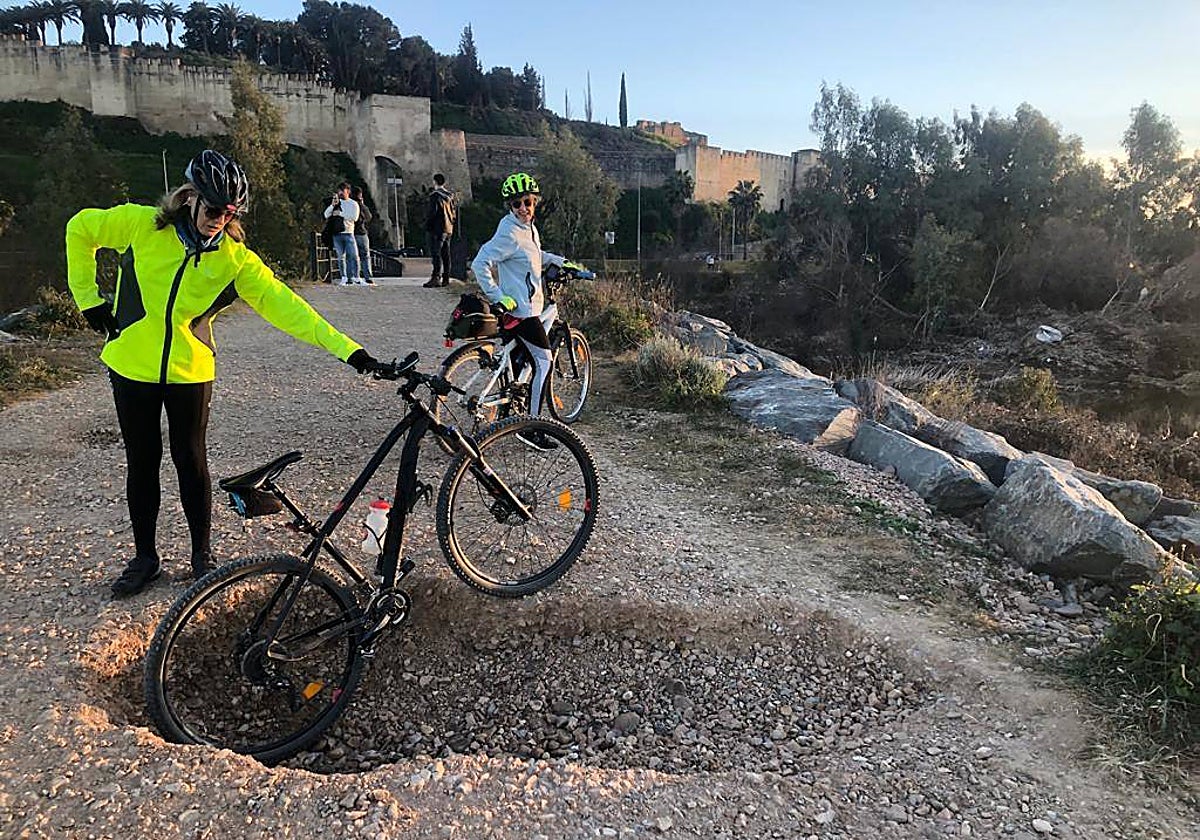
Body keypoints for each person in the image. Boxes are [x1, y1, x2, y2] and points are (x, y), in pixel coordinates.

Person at [66, 149, 379, 598]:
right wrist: (87, 299)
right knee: (143, 462)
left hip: (190, 371)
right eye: (213, 209)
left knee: (191, 461)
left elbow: (290, 309)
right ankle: (145, 559)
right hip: (131, 366)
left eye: (230, 214)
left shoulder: (234, 259)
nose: (219, 220)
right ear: (189, 197)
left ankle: (202, 555)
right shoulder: (140, 225)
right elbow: (80, 228)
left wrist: (351, 352)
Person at [470, 172, 566, 450]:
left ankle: (510, 408)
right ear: (510, 207)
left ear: (535, 202)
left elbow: (534, 255)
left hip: (526, 306)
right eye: (517, 204)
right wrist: (498, 296)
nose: (523, 208)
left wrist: (561, 261)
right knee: (544, 362)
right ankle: (531, 428)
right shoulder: (510, 233)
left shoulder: (528, 229)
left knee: (521, 360)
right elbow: (480, 263)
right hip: (521, 311)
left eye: (528, 202)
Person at [323, 181, 362, 285]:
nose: (340, 193)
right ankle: (344, 277)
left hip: (348, 233)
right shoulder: (337, 203)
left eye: (342, 190)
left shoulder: (353, 204)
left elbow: (354, 217)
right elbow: (326, 214)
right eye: (339, 191)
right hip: (337, 234)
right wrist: (332, 205)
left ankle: (356, 277)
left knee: (353, 256)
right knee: (341, 257)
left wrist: (341, 214)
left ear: (348, 191)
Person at [423, 173, 456, 288]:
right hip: (448, 228)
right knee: (446, 254)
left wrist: (427, 225)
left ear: (434, 182)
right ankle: (446, 278)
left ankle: (435, 277)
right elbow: (453, 213)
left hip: (437, 229)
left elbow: (432, 213)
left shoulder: (435, 196)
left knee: (436, 253)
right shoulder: (450, 196)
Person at [350, 185, 374, 285]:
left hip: (351, 232)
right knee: (365, 256)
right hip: (362, 233)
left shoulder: (349, 205)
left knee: (353, 256)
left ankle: (355, 276)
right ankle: (368, 276)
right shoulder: (362, 206)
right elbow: (369, 217)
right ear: (360, 195)